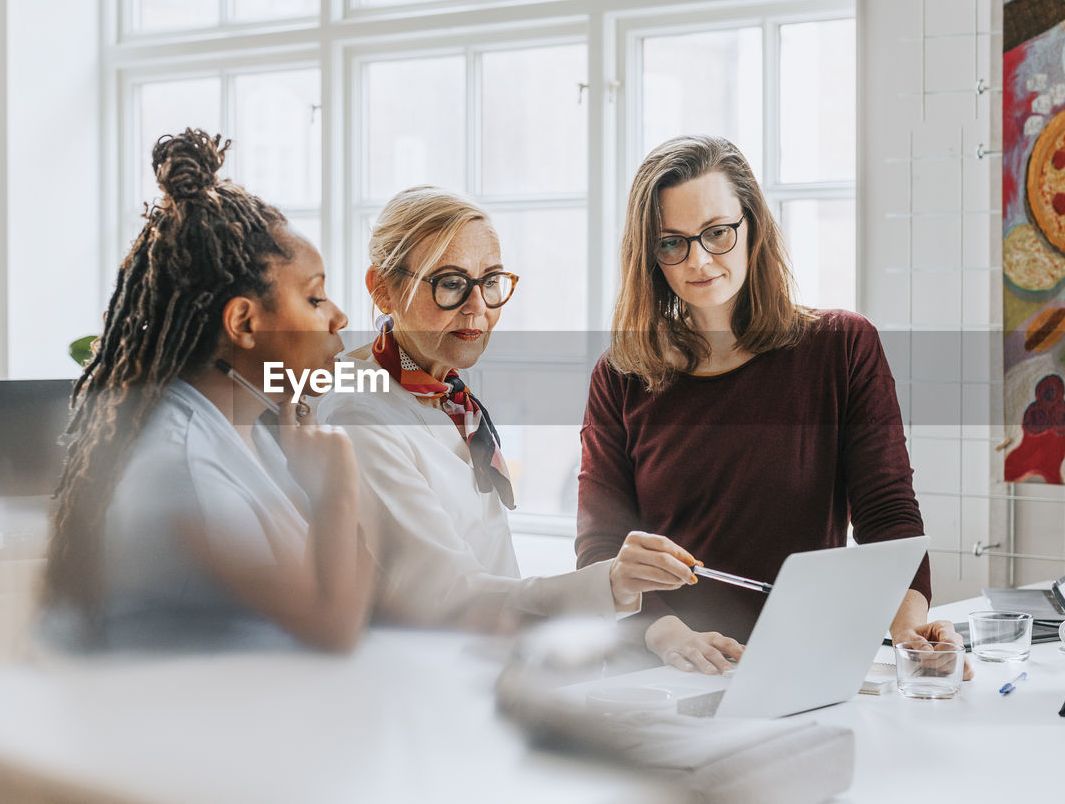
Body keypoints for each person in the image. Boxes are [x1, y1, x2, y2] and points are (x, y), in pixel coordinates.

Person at [576, 135, 969, 677]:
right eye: (672, 243)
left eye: (717, 233)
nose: (699, 260)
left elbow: (888, 513)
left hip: (799, 664)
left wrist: (907, 626)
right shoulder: (620, 375)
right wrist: (669, 638)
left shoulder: (842, 347)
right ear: (650, 255)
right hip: (663, 669)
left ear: (752, 225)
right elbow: (601, 548)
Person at [43, 129, 372, 652]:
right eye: (315, 299)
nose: (339, 317)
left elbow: (353, 592)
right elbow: (333, 630)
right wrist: (337, 493)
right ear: (244, 321)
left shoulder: (259, 435)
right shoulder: (182, 469)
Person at [322, 186, 697, 631]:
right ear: (382, 290)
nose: (478, 308)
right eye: (450, 284)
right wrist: (609, 584)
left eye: (490, 281)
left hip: (490, 664)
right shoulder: (358, 417)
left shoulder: (443, 387)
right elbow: (446, 592)